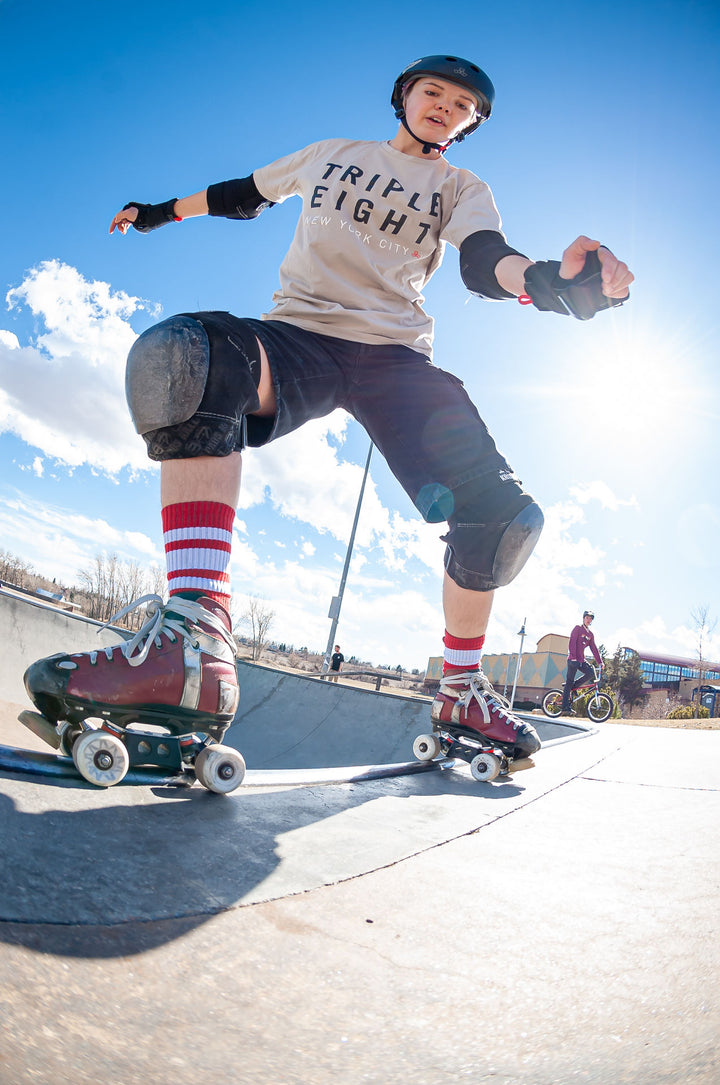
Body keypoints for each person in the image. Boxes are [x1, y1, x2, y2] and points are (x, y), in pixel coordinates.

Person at [24, 55, 633, 764]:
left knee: (501, 518)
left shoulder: (462, 187)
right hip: (300, 338)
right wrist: (158, 212)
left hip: (395, 359)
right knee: (191, 353)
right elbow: (242, 193)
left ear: (470, 123)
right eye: (432, 91)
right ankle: (194, 637)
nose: (443, 105)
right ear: (405, 96)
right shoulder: (330, 156)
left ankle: (462, 687)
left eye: (461, 103)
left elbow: (483, 258)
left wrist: (545, 282)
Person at [561, 610, 603, 714]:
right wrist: (574, 657)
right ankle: (564, 707)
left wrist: (600, 662)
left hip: (581, 659)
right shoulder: (577, 628)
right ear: (583, 618)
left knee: (590, 673)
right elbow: (572, 643)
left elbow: (594, 648)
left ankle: (574, 687)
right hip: (573, 659)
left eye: (590, 619)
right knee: (569, 682)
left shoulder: (590, 634)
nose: (589, 620)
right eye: (587, 618)